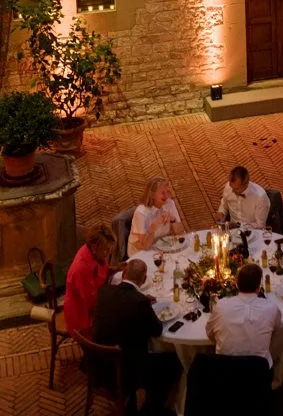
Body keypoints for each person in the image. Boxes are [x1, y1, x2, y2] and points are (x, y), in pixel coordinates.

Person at [92, 258, 182, 416]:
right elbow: (157, 330)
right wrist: (144, 303)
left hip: (98, 363)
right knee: (175, 360)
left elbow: (122, 305)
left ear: (124, 273)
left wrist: (141, 300)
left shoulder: (104, 291)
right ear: (144, 279)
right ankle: (156, 407)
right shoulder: (139, 303)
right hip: (125, 370)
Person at [206, 262, 281, 372]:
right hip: (260, 374)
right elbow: (275, 331)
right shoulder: (271, 308)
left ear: (236, 284)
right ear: (259, 287)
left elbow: (210, 333)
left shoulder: (221, 306)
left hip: (225, 373)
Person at [63, 223, 117, 337]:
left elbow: (102, 270)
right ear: (94, 247)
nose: (108, 253)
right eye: (105, 250)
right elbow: (91, 301)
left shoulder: (96, 253)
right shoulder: (82, 268)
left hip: (91, 302)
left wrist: (116, 269)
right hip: (80, 313)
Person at [128, 178, 184, 255]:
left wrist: (173, 220)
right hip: (140, 254)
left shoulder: (170, 204)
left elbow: (181, 233)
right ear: (152, 195)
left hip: (161, 248)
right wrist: (153, 226)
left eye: (167, 191)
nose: (167, 196)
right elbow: (144, 246)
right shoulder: (141, 213)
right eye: (163, 193)